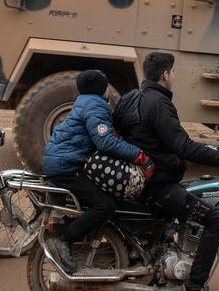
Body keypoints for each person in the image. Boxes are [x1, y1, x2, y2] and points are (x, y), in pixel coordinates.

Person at [113, 52, 219, 291]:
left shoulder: (132, 97)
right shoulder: (159, 103)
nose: (174, 76)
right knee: (215, 220)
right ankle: (195, 286)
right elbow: (183, 146)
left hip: (138, 181)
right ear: (165, 75)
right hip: (157, 187)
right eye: (173, 72)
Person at [43, 69, 155, 274]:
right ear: (101, 89)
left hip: (61, 161)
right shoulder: (96, 105)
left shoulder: (84, 101)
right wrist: (140, 156)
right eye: (106, 86)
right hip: (66, 167)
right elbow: (105, 142)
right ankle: (64, 240)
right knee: (104, 205)